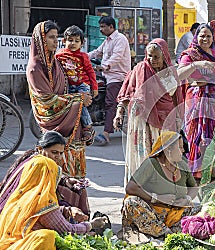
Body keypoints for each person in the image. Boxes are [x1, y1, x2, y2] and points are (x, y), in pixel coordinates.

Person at [0, 140, 107, 250]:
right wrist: (91, 225)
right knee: (47, 238)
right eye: (54, 152)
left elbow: (43, 215)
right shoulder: (43, 200)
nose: (59, 157)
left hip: (8, 245)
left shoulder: (23, 192)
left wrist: (67, 211)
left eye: (61, 153)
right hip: (19, 249)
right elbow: (67, 230)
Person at [27, 20, 92, 215]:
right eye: (51, 37)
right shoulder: (35, 68)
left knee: (76, 174)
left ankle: (80, 214)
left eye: (57, 37)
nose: (56, 42)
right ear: (41, 39)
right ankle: (61, 216)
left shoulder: (55, 62)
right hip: (55, 130)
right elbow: (46, 102)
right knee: (60, 175)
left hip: (74, 127)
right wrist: (78, 98)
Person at [114, 38, 184, 187]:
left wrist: (179, 121)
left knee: (164, 156)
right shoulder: (140, 70)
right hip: (143, 123)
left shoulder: (171, 73)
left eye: (156, 57)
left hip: (166, 122)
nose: (152, 60)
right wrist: (119, 113)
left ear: (164, 55)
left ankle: (163, 189)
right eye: (149, 56)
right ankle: (141, 189)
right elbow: (127, 93)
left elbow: (178, 99)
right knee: (144, 156)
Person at [121, 131, 201, 239]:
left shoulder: (182, 165)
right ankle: (164, 232)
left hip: (175, 214)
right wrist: (156, 198)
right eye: (180, 147)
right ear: (168, 150)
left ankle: (169, 231)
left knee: (204, 210)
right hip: (152, 214)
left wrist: (187, 198)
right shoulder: (152, 164)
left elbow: (194, 187)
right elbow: (131, 188)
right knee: (130, 202)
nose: (183, 151)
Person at [177, 23, 215, 179]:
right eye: (202, 36)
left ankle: (212, 167)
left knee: (213, 133)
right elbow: (180, 74)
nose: (205, 39)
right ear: (196, 37)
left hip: (214, 98)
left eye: (208, 36)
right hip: (196, 99)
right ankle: (196, 171)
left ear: (212, 38)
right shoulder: (190, 54)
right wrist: (196, 65)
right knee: (195, 134)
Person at [88, 16, 131, 145]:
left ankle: (106, 133)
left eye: (103, 27)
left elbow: (116, 57)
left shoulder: (120, 39)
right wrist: (81, 57)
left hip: (117, 76)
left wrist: (104, 66)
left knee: (110, 103)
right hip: (106, 74)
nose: (101, 29)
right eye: (100, 27)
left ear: (111, 27)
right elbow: (96, 52)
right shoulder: (107, 41)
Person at [55, 25, 97, 143]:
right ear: (64, 41)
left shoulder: (83, 56)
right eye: (70, 40)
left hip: (82, 84)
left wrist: (94, 87)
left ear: (82, 43)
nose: (73, 43)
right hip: (68, 86)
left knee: (80, 103)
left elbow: (90, 72)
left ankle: (88, 127)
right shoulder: (59, 55)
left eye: (76, 41)